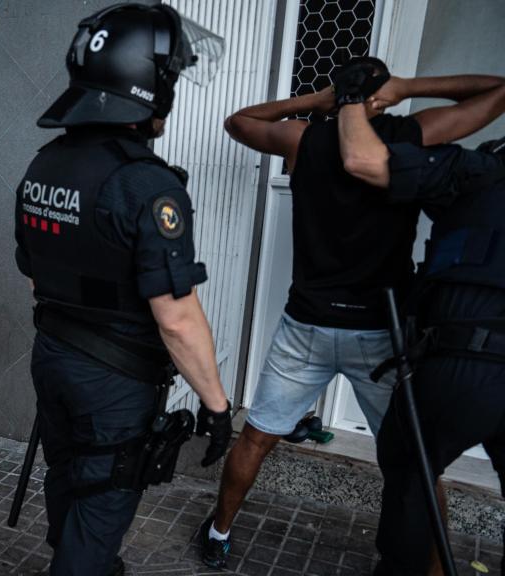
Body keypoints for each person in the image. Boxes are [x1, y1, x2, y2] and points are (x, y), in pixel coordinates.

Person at [200, 59, 505, 568]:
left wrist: (315, 101)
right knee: (416, 465)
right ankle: (435, 570)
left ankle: (219, 531)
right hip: (381, 333)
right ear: (380, 96)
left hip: (307, 325)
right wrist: (408, 88)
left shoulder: (303, 139)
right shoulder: (410, 136)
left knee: (256, 435)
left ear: (337, 92)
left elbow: (239, 121)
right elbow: (496, 92)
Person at [14, 5, 233, 575]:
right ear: (147, 87)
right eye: (170, 78)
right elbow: (177, 318)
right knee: (103, 498)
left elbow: (35, 274)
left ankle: (77, 558)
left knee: (68, 474)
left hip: (53, 357)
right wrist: (216, 406)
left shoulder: (44, 165)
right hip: (113, 380)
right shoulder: (146, 184)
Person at [337, 96, 505, 575]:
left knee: (410, 472)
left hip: (466, 362)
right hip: (468, 358)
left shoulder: (482, 172)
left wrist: (352, 100)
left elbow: (361, 158)